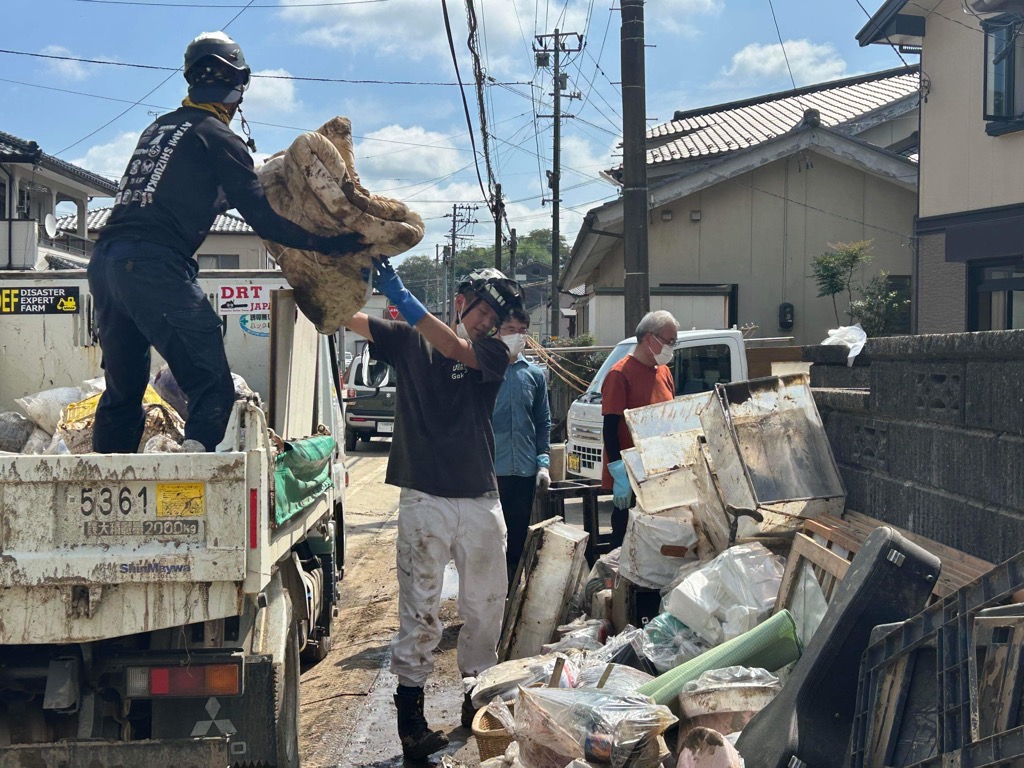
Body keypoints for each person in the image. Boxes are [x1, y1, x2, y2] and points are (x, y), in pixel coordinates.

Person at [88, 31, 363, 454]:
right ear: (239, 86)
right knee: (211, 387)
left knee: (123, 395)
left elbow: (191, 188)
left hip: (106, 265)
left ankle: (104, 481)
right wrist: (327, 242)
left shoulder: (158, 129)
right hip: (154, 265)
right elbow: (262, 217)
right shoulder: (219, 137)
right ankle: (195, 488)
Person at [345, 260, 524, 761]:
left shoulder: (492, 350)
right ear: (461, 302)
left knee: (485, 606)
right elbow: (343, 317)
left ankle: (477, 697)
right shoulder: (406, 339)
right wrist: (339, 279)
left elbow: (453, 348)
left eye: (494, 318)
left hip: (480, 496)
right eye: (482, 311)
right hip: (424, 496)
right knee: (420, 610)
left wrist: (400, 294)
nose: (486, 322)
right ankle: (412, 724)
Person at [602, 310, 680, 547]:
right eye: (669, 341)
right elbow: (610, 429)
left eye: (674, 342)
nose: (671, 347)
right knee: (626, 539)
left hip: (659, 469)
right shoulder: (620, 374)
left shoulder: (663, 371)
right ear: (649, 339)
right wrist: (619, 473)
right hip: (631, 473)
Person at [492, 308, 551, 584]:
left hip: (525, 470)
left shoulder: (534, 375)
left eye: (522, 330)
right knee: (491, 537)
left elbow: (543, 421)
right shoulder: (485, 371)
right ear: (497, 331)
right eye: (510, 329)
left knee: (518, 535)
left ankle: (513, 591)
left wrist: (543, 463)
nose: (517, 336)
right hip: (492, 471)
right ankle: (491, 592)